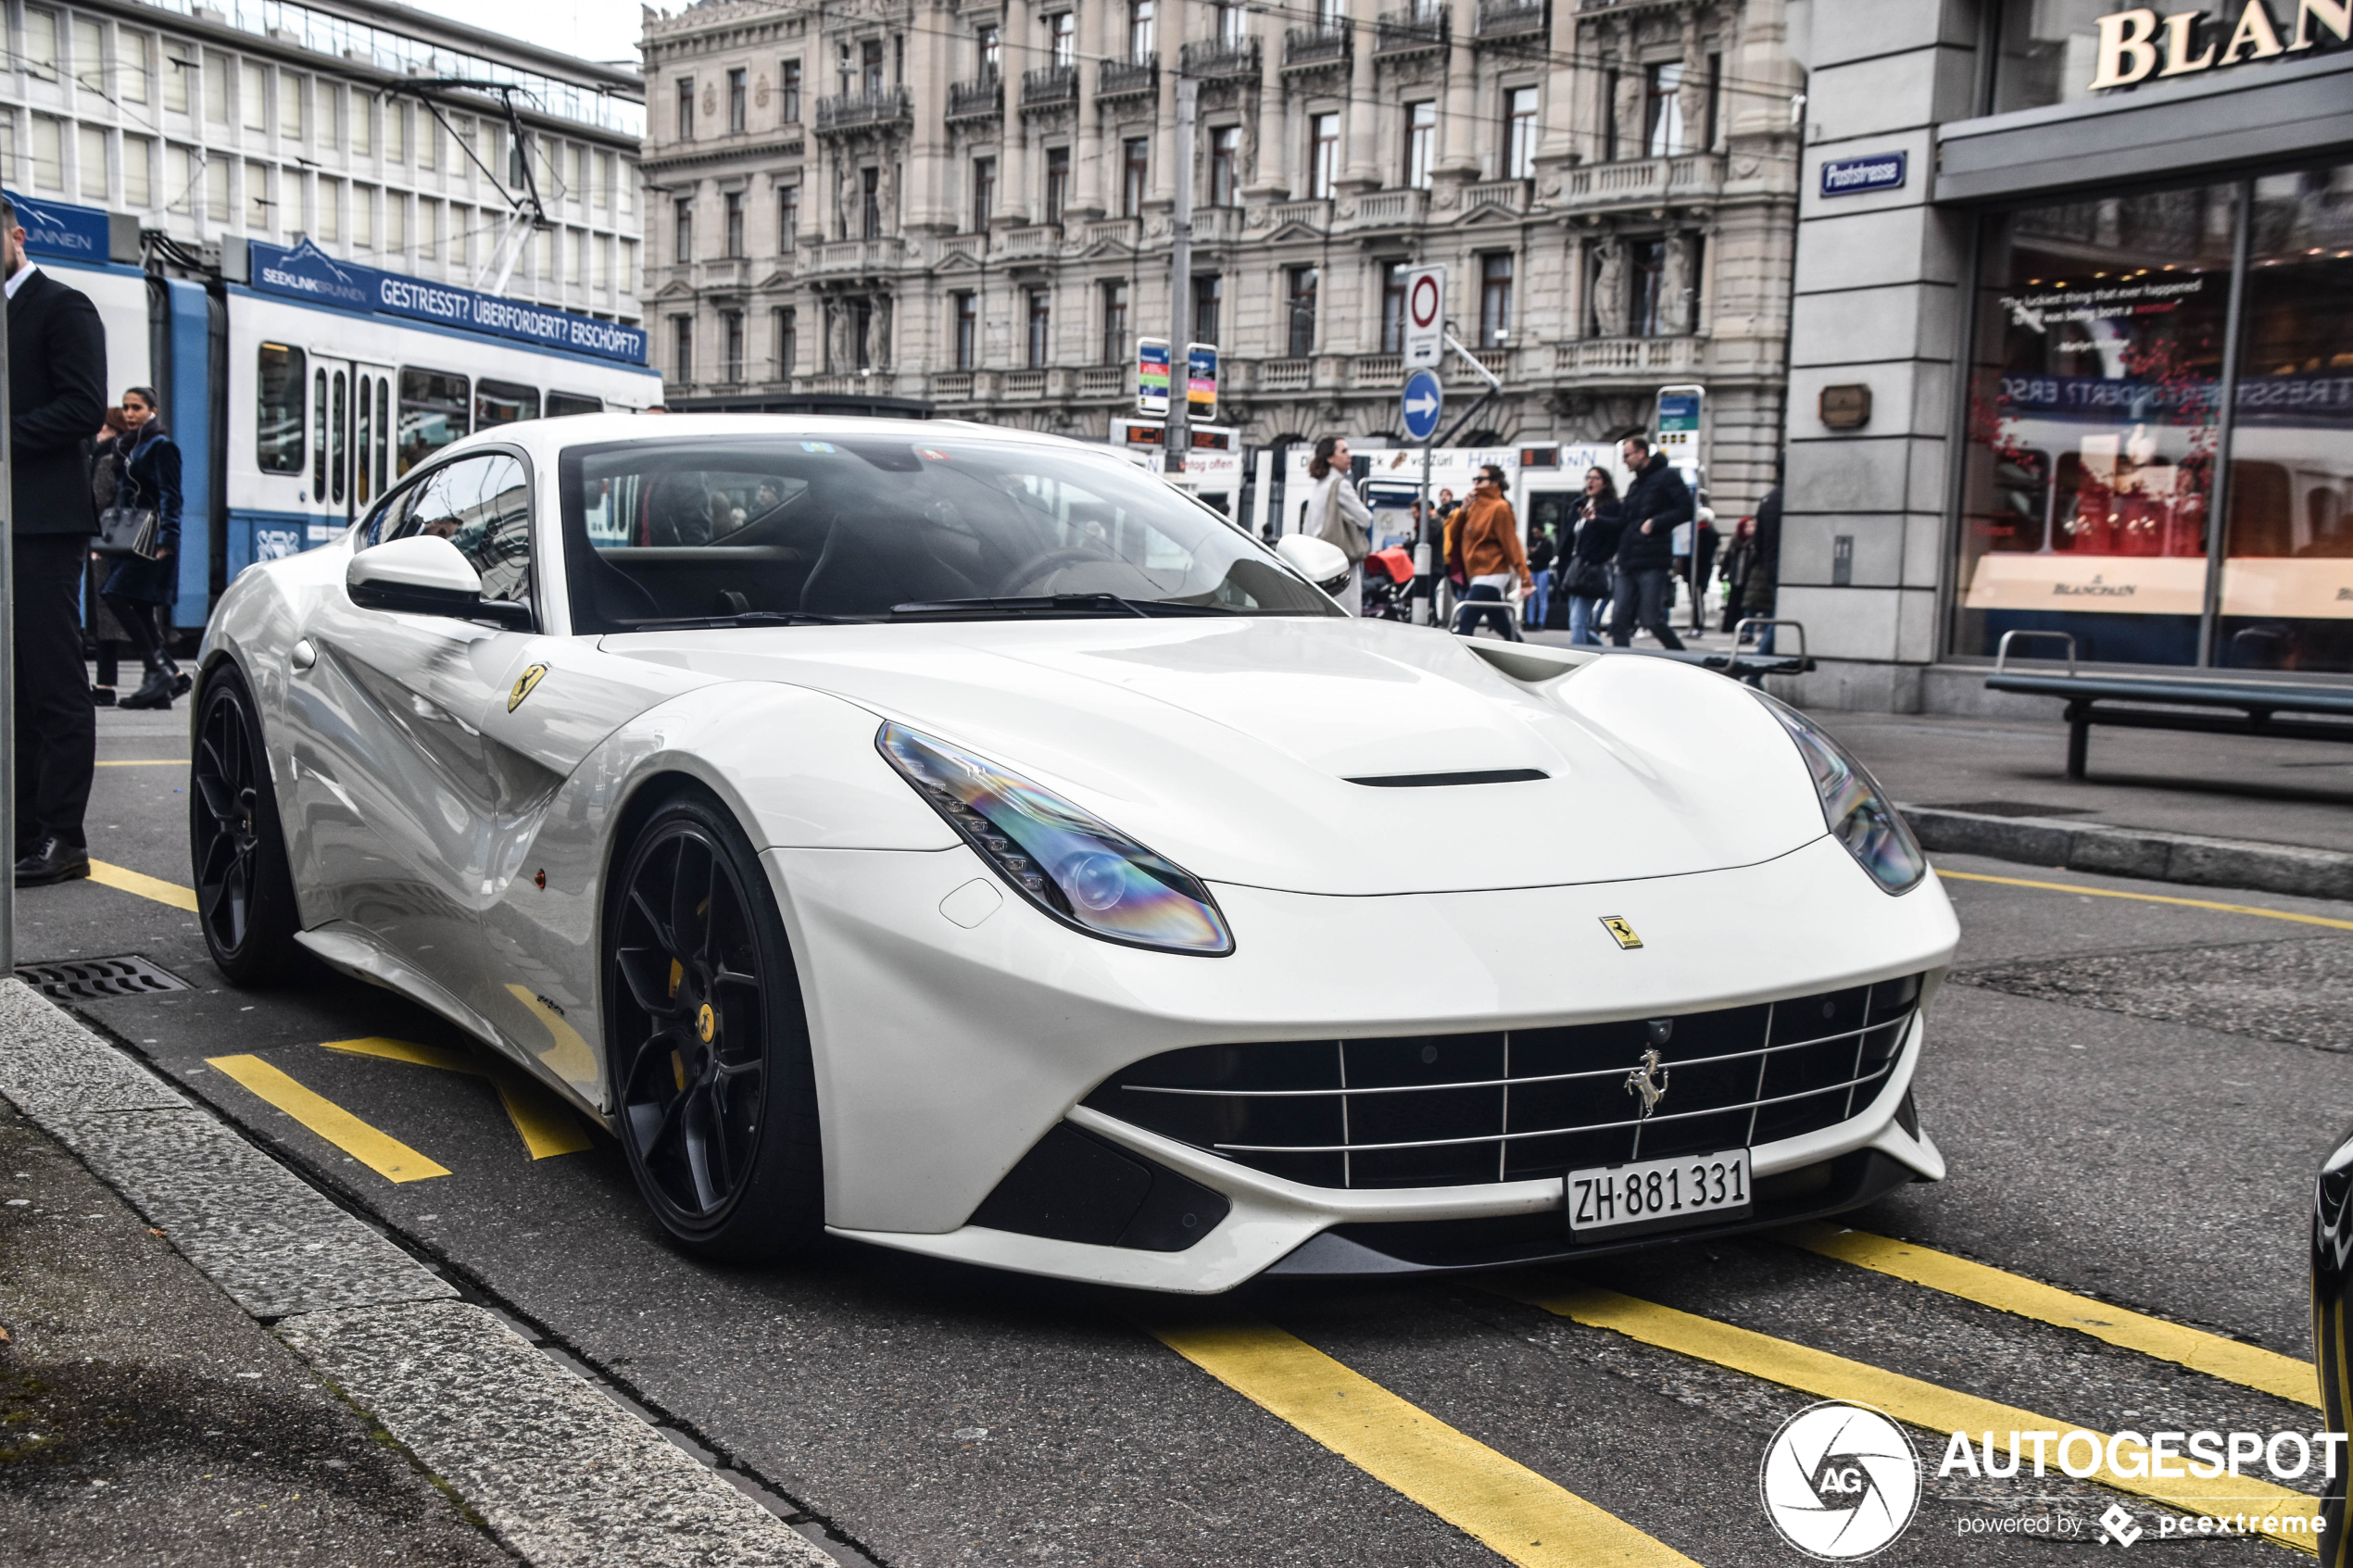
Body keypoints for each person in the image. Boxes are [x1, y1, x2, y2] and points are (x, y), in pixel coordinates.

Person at [6, 194, 107, 887]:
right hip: (7, 519)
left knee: (52, 683)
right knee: (10, 689)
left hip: (43, 522)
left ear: (14, 236)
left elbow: (81, 406)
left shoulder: (61, 305)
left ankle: (63, 836)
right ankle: (18, 828)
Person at [102, 387, 187, 710]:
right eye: (125, 407)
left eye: (136, 407)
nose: (129, 413)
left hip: (153, 541)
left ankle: (157, 670)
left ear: (152, 410)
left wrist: (168, 539)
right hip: (132, 538)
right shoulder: (128, 445)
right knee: (138, 605)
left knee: (115, 595)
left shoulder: (161, 447)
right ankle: (164, 685)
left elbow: (171, 496)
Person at [1609, 434, 1690, 652]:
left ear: (1641, 453)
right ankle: (1621, 664)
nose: (1624, 460)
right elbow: (1624, 521)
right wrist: (1596, 519)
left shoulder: (1667, 477)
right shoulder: (1636, 484)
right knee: (1618, 621)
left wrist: (1655, 522)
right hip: (1628, 558)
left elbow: (1686, 509)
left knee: (1651, 620)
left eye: (1627, 455)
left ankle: (1684, 660)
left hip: (1652, 559)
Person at [1449, 464, 1529, 641]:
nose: (1476, 483)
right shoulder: (1474, 506)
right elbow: (1454, 534)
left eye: (1480, 479)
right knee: (1502, 625)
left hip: (1493, 571)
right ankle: (1524, 653)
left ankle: (1460, 665)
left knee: (1466, 623)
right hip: (1477, 573)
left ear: (1494, 482)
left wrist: (1525, 577)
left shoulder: (1500, 507)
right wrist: (1463, 509)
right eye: (1475, 479)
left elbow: (1511, 544)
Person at [86, 406, 130, 707]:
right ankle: (165, 673)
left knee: (106, 621)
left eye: (103, 427)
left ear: (112, 430)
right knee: (136, 618)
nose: (98, 433)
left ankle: (104, 686)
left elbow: (97, 503)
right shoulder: (136, 457)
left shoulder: (105, 461)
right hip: (132, 545)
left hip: (107, 547)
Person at [1305, 434, 1371, 614]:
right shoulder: (1340, 485)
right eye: (1344, 451)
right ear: (1330, 457)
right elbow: (1365, 518)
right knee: (1345, 617)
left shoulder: (1318, 485)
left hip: (1318, 560)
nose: (1349, 455)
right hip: (1340, 560)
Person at [1562, 467, 1624, 646]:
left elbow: (1616, 530)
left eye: (1595, 478)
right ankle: (1604, 653)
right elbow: (1569, 537)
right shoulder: (1579, 505)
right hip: (1576, 566)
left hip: (1593, 567)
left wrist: (1596, 521)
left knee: (1577, 623)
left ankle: (1578, 662)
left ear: (1605, 483)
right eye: (1588, 477)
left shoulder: (1612, 507)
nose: (1590, 481)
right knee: (1577, 624)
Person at [1745, 478, 1784, 652]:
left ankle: (1755, 670)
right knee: (1780, 619)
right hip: (1781, 566)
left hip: (1770, 565)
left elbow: (1757, 541)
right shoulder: (1786, 497)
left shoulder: (1769, 498)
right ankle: (1754, 671)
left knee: (1778, 618)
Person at [1522, 518, 1554, 632]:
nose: (1535, 535)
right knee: (1531, 597)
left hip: (1542, 571)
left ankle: (1540, 621)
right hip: (1534, 570)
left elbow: (1549, 557)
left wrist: (1536, 552)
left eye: (1536, 532)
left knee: (1542, 597)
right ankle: (1530, 621)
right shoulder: (1534, 542)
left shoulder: (1548, 543)